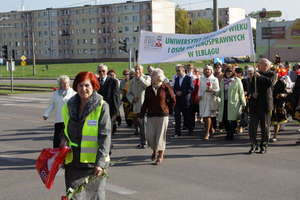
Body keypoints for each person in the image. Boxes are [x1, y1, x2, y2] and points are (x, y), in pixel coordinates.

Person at [61, 71, 111, 200]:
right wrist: (62, 145)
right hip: (73, 163)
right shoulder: (69, 106)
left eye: (87, 85)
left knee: (95, 197)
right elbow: (65, 130)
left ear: (94, 86)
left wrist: (100, 163)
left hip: (93, 165)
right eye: (80, 85)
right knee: (73, 196)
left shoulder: (102, 106)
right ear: (76, 87)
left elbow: (104, 137)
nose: (83, 89)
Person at [140, 69, 176, 165]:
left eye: (153, 76)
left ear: (159, 78)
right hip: (151, 115)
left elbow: (173, 99)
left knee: (160, 136)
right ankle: (154, 150)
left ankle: (160, 155)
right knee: (150, 137)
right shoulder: (148, 89)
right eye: (152, 76)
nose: (152, 77)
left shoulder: (165, 88)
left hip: (162, 115)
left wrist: (169, 110)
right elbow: (145, 103)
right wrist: (142, 114)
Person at [248, 58, 276, 154]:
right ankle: (253, 145)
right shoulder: (255, 75)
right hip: (254, 105)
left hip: (265, 105)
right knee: (252, 127)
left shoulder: (272, 74)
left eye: (261, 64)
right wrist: (252, 93)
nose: (259, 66)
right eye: (259, 64)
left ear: (267, 65)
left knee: (265, 127)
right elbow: (250, 87)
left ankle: (263, 145)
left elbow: (270, 83)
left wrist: (259, 76)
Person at [43, 75, 76, 148]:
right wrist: (46, 114)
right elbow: (52, 105)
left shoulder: (73, 93)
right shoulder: (55, 93)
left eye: (67, 83)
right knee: (57, 139)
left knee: (68, 139)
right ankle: (56, 156)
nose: (65, 85)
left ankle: (68, 157)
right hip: (59, 120)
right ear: (60, 84)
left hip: (69, 120)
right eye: (63, 83)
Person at [218, 67, 246, 140]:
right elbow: (220, 92)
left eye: (230, 71)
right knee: (225, 119)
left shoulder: (237, 80)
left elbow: (241, 92)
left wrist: (243, 103)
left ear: (233, 72)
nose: (228, 72)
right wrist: (212, 91)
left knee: (233, 119)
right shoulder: (223, 81)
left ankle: (231, 133)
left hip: (234, 103)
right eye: (227, 71)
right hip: (224, 103)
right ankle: (228, 132)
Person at [127, 64, 151, 148]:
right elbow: (128, 93)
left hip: (145, 105)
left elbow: (148, 86)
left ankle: (145, 142)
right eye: (136, 69)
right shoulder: (132, 81)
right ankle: (143, 141)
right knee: (140, 125)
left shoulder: (146, 78)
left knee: (144, 124)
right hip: (136, 106)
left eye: (139, 69)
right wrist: (132, 99)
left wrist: (140, 77)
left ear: (142, 70)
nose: (137, 71)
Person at [97, 64, 120, 134]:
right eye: (99, 71)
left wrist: (115, 113)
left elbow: (116, 98)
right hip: (97, 111)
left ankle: (108, 144)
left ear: (106, 71)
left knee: (108, 130)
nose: (101, 73)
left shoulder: (113, 81)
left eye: (103, 71)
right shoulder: (95, 81)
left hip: (109, 110)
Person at [198, 65, 220, 140]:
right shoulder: (201, 78)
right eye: (205, 69)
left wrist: (211, 90)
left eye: (208, 69)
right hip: (203, 99)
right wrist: (199, 95)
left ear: (211, 71)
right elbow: (200, 88)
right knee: (204, 116)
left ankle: (207, 133)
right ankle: (211, 130)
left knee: (208, 116)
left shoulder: (215, 79)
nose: (207, 70)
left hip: (211, 99)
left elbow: (217, 90)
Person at [172, 64, 194, 137]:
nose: (177, 72)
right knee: (177, 116)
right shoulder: (177, 78)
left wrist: (182, 92)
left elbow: (191, 88)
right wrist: (176, 92)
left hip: (186, 100)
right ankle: (177, 132)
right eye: (176, 71)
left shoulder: (189, 78)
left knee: (187, 116)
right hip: (178, 101)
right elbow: (174, 88)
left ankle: (190, 130)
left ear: (183, 70)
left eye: (178, 71)